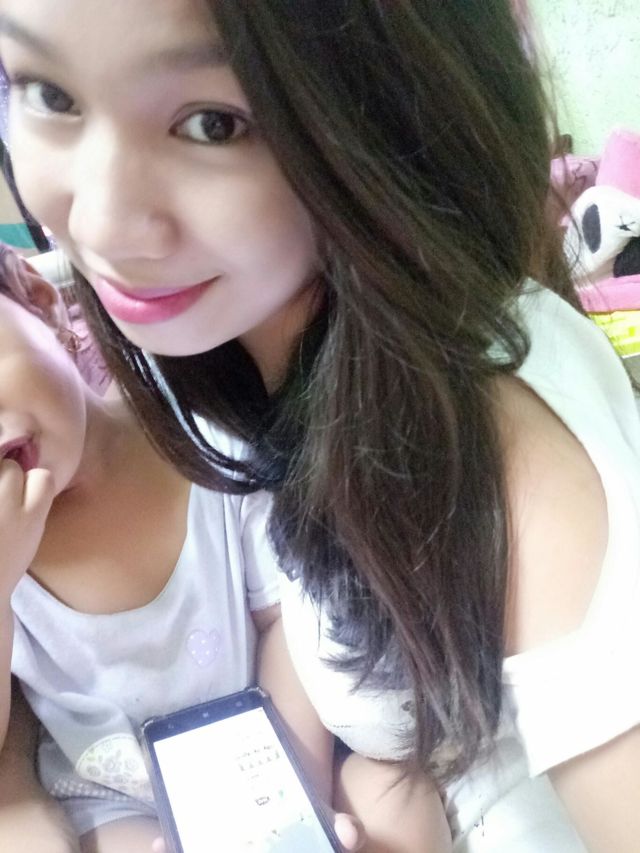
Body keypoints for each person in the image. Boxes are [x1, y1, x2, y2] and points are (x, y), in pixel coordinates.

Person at [0, 1, 638, 850]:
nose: (100, 223)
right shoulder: (243, 372)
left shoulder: (492, 437)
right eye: (49, 94)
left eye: (212, 123)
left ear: (384, 111)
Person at [0, 245, 449, 853]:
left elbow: (287, 626)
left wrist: (286, 809)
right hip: (120, 804)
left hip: (287, 746)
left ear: (41, 300)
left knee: (399, 801)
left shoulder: (203, 436)